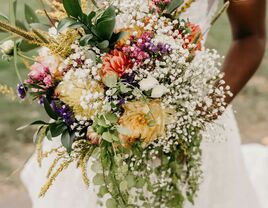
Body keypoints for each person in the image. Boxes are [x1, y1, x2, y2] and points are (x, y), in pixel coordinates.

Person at [21, 0, 267, 207]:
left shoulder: (196, 117)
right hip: (92, 130)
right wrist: (77, 88)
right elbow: (62, 22)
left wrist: (199, 115)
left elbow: (250, 36)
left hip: (191, 124)